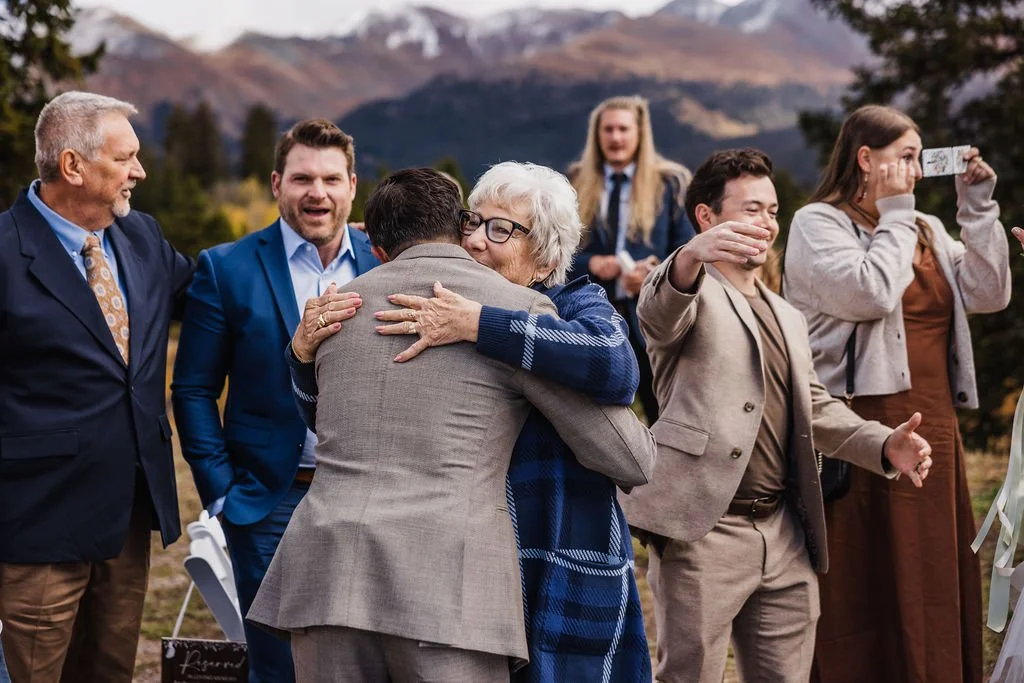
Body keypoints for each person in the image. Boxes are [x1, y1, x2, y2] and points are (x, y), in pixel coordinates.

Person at [247, 168, 656, 682]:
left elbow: (616, 367)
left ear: (547, 260)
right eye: (473, 223)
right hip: (448, 584)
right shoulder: (509, 306)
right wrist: (300, 356)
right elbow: (632, 457)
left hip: (328, 574)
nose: (479, 240)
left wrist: (482, 324)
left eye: (502, 230)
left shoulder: (349, 305)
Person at [619, 148, 935, 683]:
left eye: (772, 211)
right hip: (704, 533)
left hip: (785, 532)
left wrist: (883, 443)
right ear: (706, 216)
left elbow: (815, 406)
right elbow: (657, 312)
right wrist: (689, 256)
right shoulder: (687, 291)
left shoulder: (787, 315)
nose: (766, 223)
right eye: (751, 209)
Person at [783, 105, 1011, 683]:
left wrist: (977, 208)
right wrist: (895, 215)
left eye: (919, 157)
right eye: (905, 156)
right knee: (865, 575)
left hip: (934, 419)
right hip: (861, 423)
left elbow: (989, 293)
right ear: (866, 158)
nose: (916, 169)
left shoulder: (925, 227)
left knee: (930, 567)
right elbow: (872, 293)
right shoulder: (818, 224)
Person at [171, 119, 377, 682]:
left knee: (363, 660)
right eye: (302, 178)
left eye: (331, 179)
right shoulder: (226, 268)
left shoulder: (384, 260)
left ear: (352, 185)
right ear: (276, 183)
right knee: (278, 666)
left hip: (368, 495)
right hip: (268, 502)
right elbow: (193, 389)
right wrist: (222, 493)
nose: (317, 193)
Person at [0, 91, 195, 682]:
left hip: (127, 515)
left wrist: (339, 247)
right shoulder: (3, 252)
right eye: (125, 157)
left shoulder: (141, 237)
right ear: (73, 166)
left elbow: (212, 292)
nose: (140, 171)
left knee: (109, 673)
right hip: (35, 525)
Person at [567, 94, 696, 423]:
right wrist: (591, 264)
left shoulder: (670, 184)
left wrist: (655, 273)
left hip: (651, 320)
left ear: (640, 134)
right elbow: (556, 251)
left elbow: (688, 249)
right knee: (591, 415)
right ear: (597, 135)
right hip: (594, 316)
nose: (616, 137)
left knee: (662, 411)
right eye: (608, 129)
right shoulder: (576, 182)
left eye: (623, 129)